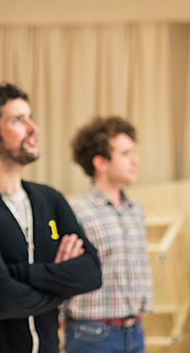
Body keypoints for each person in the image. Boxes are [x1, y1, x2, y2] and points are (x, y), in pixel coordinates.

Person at [0, 83, 102, 353]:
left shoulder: (50, 199)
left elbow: (91, 272)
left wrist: (17, 274)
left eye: (30, 118)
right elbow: (0, 300)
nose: (34, 128)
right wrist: (63, 286)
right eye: (19, 120)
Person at [64, 116, 153, 353]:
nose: (135, 160)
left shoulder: (135, 212)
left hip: (135, 332)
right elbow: (64, 273)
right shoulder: (77, 212)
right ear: (101, 162)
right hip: (92, 336)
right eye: (125, 154)